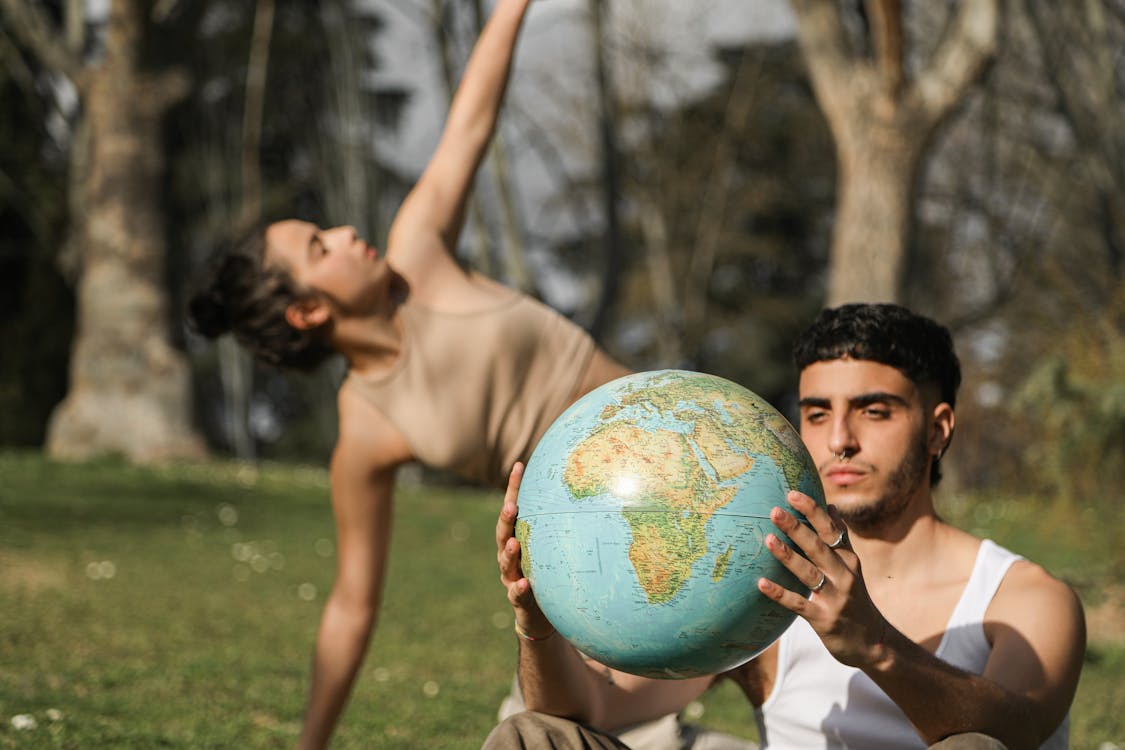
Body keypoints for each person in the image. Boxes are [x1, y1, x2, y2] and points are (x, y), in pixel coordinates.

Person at [187, 1, 738, 747]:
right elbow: (352, 604)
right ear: (307, 312)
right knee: (538, 735)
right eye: (320, 245)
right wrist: (310, 743)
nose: (348, 233)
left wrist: (509, 7)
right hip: (610, 576)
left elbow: (470, 121)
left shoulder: (420, 253)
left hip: (694, 480)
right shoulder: (366, 428)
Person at [488, 303, 1087, 750]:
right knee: (531, 736)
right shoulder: (755, 572)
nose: (839, 441)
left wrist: (877, 647)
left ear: (938, 429)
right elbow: (591, 710)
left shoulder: (1024, 598)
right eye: (818, 413)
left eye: (875, 411)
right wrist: (536, 627)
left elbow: (1020, 733)